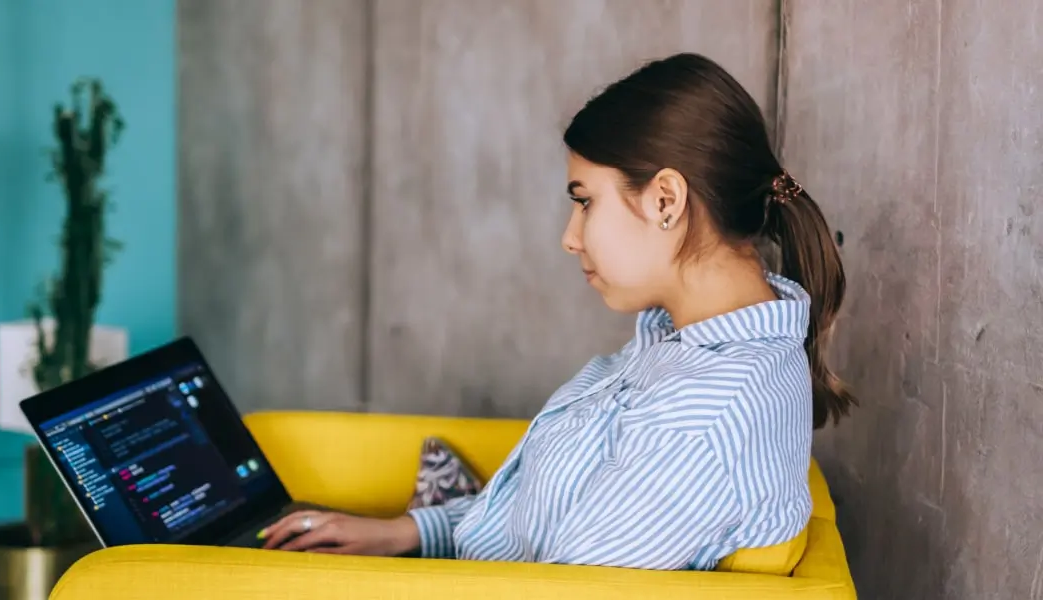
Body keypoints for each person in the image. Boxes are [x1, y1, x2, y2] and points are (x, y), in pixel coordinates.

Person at [258, 52, 854, 570]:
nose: (570, 238)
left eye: (585, 202)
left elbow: (554, 587)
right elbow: (546, 518)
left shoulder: (700, 419)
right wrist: (404, 533)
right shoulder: (687, 343)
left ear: (666, 200)